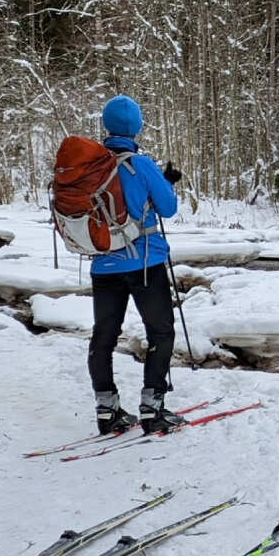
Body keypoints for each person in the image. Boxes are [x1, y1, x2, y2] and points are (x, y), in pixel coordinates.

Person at [87, 93, 186, 436]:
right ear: (136, 127)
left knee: (103, 337)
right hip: (145, 262)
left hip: (103, 265)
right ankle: (152, 409)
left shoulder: (89, 167)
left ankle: (106, 411)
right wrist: (166, 181)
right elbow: (168, 208)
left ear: (107, 125)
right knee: (160, 332)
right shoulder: (140, 164)